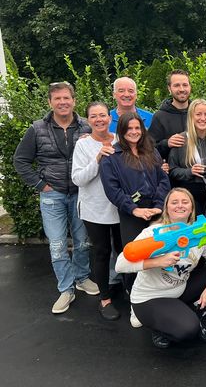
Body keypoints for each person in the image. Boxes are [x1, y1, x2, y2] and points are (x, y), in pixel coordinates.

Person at [13, 81, 99, 314]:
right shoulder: (37, 128)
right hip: (53, 196)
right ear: (50, 102)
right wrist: (41, 185)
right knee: (58, 244)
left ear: (74, 100)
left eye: (66, 98)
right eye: (57, 99)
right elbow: (20, 161)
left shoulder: (86, 126)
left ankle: (82, 278)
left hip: (81, 193)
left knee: (83, 241)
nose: (63, 102)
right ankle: (66, 288)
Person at [115, 188, 206, 349]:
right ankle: (160, 327)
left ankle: (192, 314)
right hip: (149, 298)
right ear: (167, 208)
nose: (180, 206)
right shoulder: (153, 234)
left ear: (192, 208)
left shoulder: (197, 233)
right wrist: (157, 261)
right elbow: (120, 264)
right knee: (188, 330)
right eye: (174, 202)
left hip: (179, 290)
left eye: (185, 202)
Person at [100, 111, 171, 326]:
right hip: (132, 215)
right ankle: (135, 302)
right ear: (121, 131)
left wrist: (159, 206)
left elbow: (163, 180)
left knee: (159, 253)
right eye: (128, 129)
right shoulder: (111, 157)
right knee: (134, 257)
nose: (133, 132)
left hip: (156, 212)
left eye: (137, 128)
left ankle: (158, 296)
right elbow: (112, 190)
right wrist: (134, 210)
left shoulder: (152, 152)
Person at [72, 101, 122, 320]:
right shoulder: (83, 145)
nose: (99, 120)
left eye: (103, 115)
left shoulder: (120, 140)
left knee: (124, 250)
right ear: (88, 120)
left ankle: (132, 291)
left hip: (121, 207)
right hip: (94, 209)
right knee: (102, 252)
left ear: (110, 118)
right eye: (94, 116)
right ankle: (105, 298)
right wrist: (98, 159)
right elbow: (78, 179)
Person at [168, 99, 206, 214]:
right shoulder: (181, 139)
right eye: (198, 114)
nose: (202, 118)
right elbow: (172, 170)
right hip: (190, 196)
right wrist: (189, 172)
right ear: (191, 117)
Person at [149, 69, 192, 161]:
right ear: (169, 88)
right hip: (171, 173)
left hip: (202, 171)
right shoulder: (160, 117)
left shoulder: (198, 114)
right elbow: (149, 149)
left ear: (190, 87)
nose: (182, 89)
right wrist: (166, 143)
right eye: (176, 85)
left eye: (185, 85)